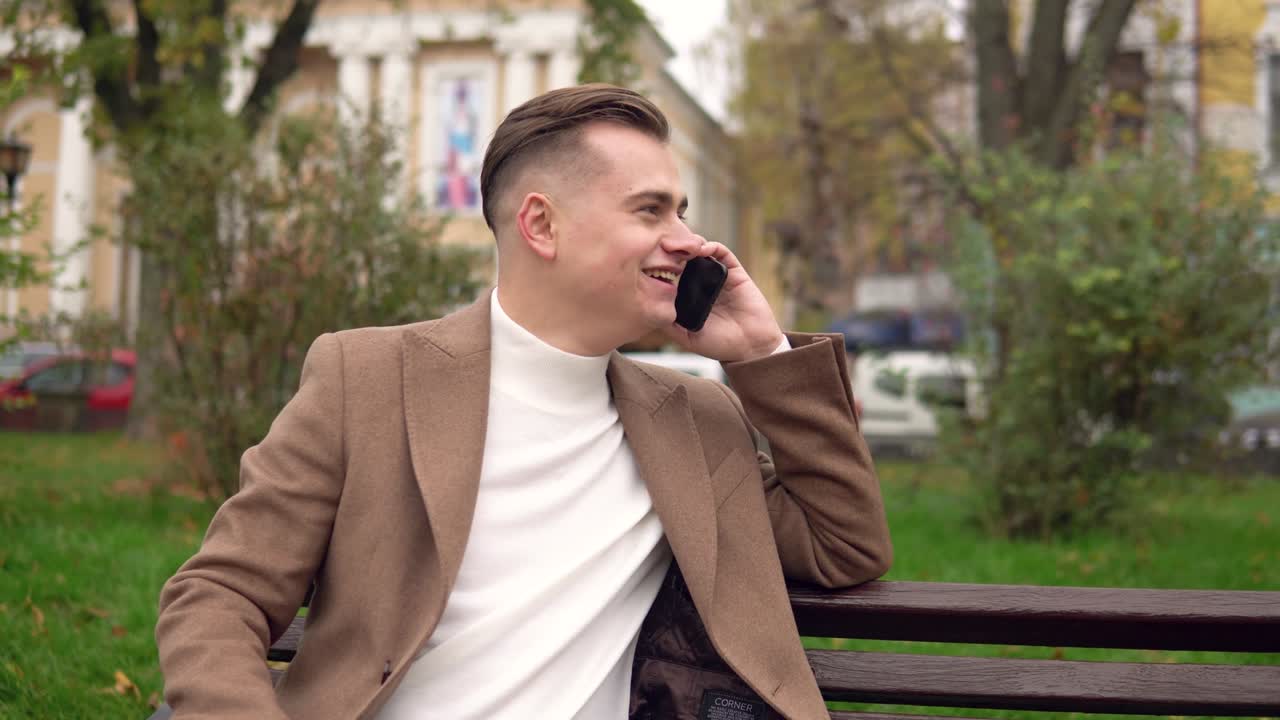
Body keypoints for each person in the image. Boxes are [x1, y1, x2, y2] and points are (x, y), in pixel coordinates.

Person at [154, 83, 891, 720]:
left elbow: (845, 546)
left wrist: (762, 356)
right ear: (541, 225)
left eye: (682, 213)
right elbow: (220, 594)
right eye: (651, 211)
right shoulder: (367, 378)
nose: (691, 243)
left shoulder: (696, 418)